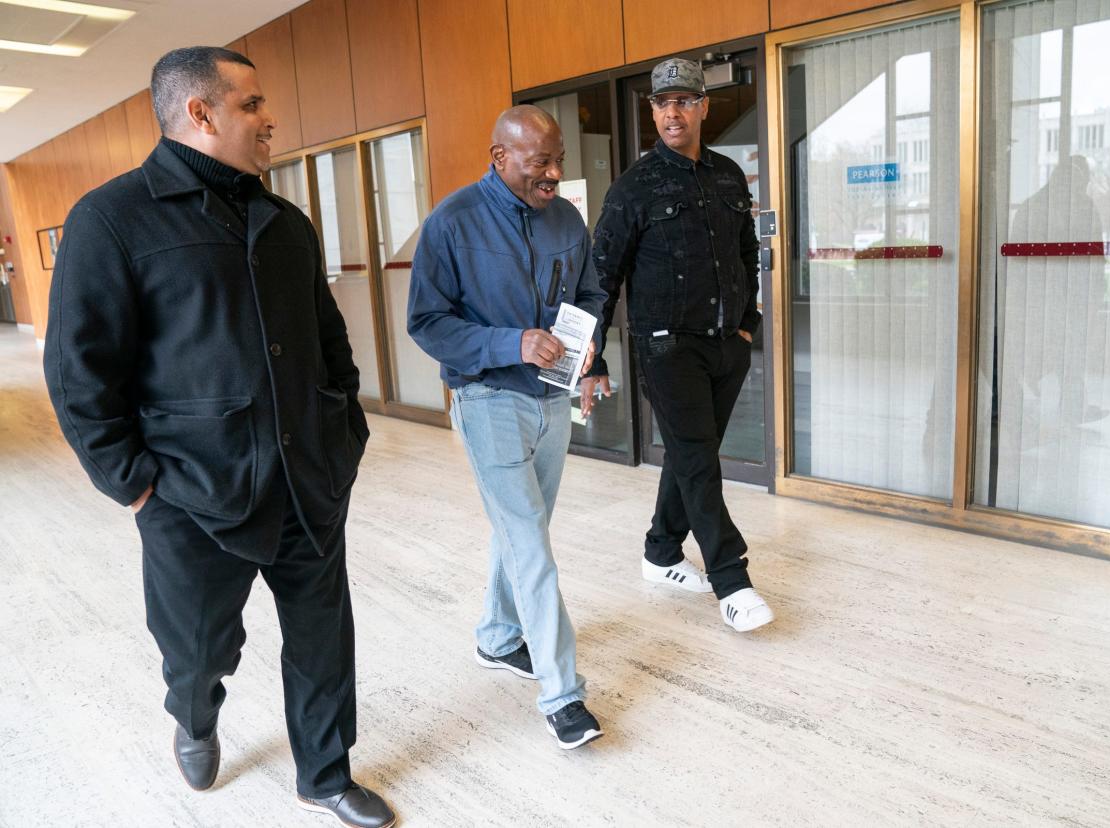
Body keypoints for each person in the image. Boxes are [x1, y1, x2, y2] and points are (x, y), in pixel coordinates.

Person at [43, 47, 394, 828]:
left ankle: (326, 775)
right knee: (201, 651)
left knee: (323, 642)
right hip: (191, 494)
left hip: (307, 480)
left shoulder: (284, 221)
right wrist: (134, 484)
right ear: (199, 114)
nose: (269, 119)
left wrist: (345, 434)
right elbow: (78, 371)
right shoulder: (112, 218)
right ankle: (194, 717)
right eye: (251, 105)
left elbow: (327, 341)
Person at [408, 105, 607, 750]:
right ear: (499, 157)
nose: (552, 174)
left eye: (558, 161)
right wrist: (509, 343)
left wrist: (587, 358)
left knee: (525, 528)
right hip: (488, 397)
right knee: (530, 543)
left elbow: (591, 295)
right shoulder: (452, 221)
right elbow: (428, 323)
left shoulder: (568, 218)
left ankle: (498, 638)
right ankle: (563, 694)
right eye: (537, 162)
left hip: (552, 402)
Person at [583, 58, 773, 633]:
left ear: (702, 107)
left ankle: (661, 552)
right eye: (662, 103)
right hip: (666, 350)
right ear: (653, 111)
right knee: (696, 457)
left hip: (725, 346)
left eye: (684, 101)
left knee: (693, 456)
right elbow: (600, 277)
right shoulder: (633, 188)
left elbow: (745, 253)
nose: (672, 111)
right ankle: (730, 579)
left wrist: (747, 326)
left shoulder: (727, 176)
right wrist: (595, 357)